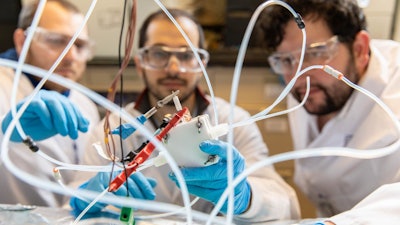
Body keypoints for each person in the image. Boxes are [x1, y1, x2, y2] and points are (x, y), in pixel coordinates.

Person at [69, 8, 300, 223]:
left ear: (202, 64)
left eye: (187, 55)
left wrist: (246, 196)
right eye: (159, 54)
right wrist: (86, 196)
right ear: (140, 64)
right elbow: (69, 205)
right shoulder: (114, 129)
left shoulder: (234, 122)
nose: (173, 68)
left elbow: (285, 205)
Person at [256, 0, 400, 218]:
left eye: (315, 53)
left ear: (359, 49)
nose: (298, 75)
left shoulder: (394, 88)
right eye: (285, 60)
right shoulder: (310, 84)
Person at [0, 0, 99, 207]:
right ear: (21, 41)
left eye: (79, 45)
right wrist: (5, 132)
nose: (70, 56)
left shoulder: (86, 104)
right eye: (56, 40)